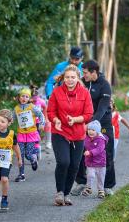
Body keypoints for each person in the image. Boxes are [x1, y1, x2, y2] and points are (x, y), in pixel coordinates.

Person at [47, 65, 93, 206]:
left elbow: (88, 114)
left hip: (78, 133)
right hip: (60, 131)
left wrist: (75, 120)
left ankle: (66, 194)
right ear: (63, 78)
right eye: (67, 77)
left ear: (78, 78)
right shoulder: (57, 92)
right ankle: (60, 192)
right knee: (63, 162)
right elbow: (50, 112)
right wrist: (56, 120)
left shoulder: (85, 93)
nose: (70, 80)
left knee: (74, 165)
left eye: (73, 77)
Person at [71, 60, 116, 196]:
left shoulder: (104, 85)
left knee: (106, 153)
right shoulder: (83, 83)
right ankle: (81, 182)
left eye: (85, 73)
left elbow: (102, 109)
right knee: (80, 152)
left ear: (94, 72)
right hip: (83, 122)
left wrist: (90, 125)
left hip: (102, 123)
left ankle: (107, 186)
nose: (83, 75)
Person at [13, 88, 45, 182]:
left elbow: (41, 115)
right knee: (20, 154)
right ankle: (21, 175)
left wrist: (42, 123)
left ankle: (34, 158)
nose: (24, 98)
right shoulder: (16, 108)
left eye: (27, 96)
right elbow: (12, 118)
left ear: (29, 98)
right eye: (22, 96)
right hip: (21, 134)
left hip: (31, 134)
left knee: (28, 154)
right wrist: (6, 122)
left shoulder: (32, 107)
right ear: (19, 97)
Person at [82, 120, 108, 199]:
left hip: (100, 162)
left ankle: (101, 190)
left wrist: (90, 152)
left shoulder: (101, 139)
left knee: (101, 177)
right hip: (90, 162)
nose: (90, 132)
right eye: (89, 130)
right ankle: (88, 188)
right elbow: (82, 145)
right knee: (90, 175)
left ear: (97, 131)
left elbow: (100, 149)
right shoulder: (86, 138)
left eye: (93, 130)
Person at [30, 85, 50, 152]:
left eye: (35, 97)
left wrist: (45, 118)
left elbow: (45, 108)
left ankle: (37, 146)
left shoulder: (41, 101)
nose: (34, 99)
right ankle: (30, 145)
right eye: (33, 97)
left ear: (37, 95)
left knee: (37, 134)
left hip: (37, 122)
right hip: (29, 122)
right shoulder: (28, 101)